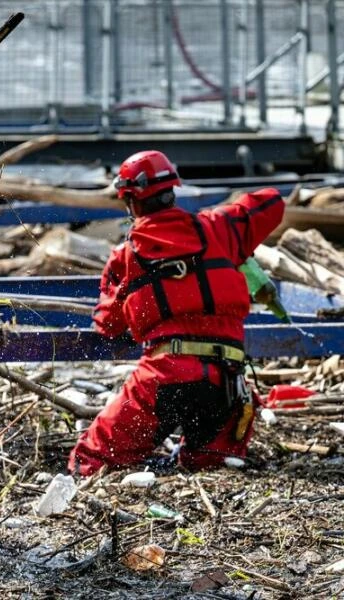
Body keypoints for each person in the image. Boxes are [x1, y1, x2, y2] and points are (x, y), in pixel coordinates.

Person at [68, 150, 285, 477]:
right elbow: (272, 202)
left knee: (90, 463)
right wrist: (229, 228)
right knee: (211, 467)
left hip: (165, 376)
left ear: (129, 201)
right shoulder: (221, 227)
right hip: (226, 382)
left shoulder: (126, 256)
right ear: (174, 189)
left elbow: (107, 324)